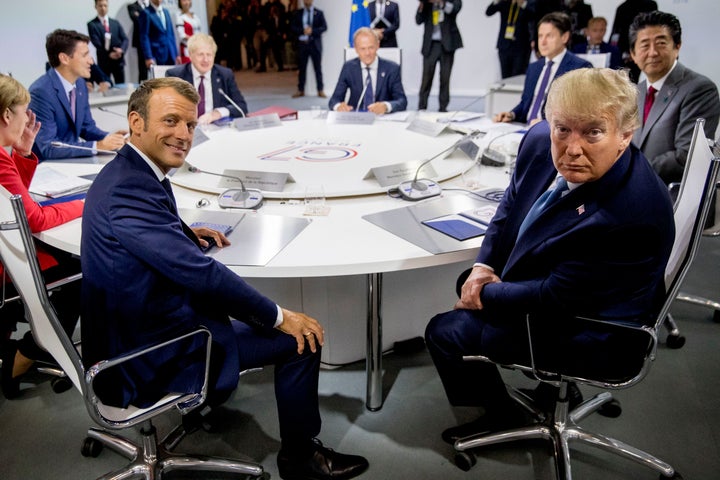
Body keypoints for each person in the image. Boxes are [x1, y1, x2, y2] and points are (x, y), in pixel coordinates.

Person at [79, 76, 369, 480]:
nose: (184, 135)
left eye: (191, 125)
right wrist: (279, 316)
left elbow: (151, 227)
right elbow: (201, 273)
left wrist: (183, 232)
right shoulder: (128, 191)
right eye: (171, 121)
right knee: (301, 340)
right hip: (143, 355)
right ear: (136, 122)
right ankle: (302, 461)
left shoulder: (127, 173)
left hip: (128, 329)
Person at [425, 67, 675, 444]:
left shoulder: (630, 215)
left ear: (625, 135)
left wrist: (476, 291)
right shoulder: (543, 139)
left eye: (593, 132)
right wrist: (483, 266)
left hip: (596, 330)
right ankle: (551, 388)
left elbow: (554, 299)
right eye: (563, 129)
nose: (572, 147)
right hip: (569, 290)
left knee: (444, 331)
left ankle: (498, 417)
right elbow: (511, 204)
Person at [0, 74, 83, 399]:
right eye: (24, 112)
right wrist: (84, 205)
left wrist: (22, 152)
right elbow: (33, 218)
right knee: (78, 280)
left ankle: (44, 345)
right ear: (7, 115)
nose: (27, 119)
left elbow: (14, 202)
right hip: (7, 270)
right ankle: (21, 358)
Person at [629, 11, 720, 185]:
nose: (653, 52)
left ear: (677, 46)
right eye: (644, 45)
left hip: (674, 198)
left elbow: (686, 154)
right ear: (633, 54)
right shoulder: (635, 92)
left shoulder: (699, 88)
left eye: (661, 43)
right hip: (637, 196)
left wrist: (631, 172)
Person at [29, 29, 127, 160]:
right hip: (45, 167)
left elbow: (87, 128)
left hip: (71, 162)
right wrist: (98, 146)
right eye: (85, 55)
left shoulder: (80, 84)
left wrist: (112, 138)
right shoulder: (41, 92)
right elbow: (49, 147)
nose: (91, 61)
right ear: (64, 58)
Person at [494, 12, 592, 125]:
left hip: (551, 135)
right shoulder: (534, 68)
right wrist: (512, 114)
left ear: (564, 37)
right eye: (540, 36)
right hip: (524, 129)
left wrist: (545, 125)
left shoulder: (580, 68)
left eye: (549, 36)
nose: (543, 42)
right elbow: (526, 103)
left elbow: (579, 113)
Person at [165, 33, 248, 123]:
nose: (205, 60)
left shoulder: (225, 75)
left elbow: (241, 107)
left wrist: (217, 114)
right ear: (190, 55)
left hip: (216, 128)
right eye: (200, 55)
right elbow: (168, 109)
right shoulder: (176, 76)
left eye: (209, 55)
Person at [329, 27, 407, 115]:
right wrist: (339, 106)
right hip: (356, 119)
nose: (367, 53)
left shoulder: (392, 68)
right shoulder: (349, 67)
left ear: (378, 45)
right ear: (356, 49)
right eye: (362, 49)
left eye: (371, 48)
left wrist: (385, 106)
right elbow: (334, 100)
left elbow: (402, 101)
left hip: (382, 120)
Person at [416, 0, 463, 112]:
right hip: (430, 45)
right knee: (426, 78)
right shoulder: (427, 4)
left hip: (447, 45)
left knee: (445, 78)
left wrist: (441, 2)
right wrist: (422, 6)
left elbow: (454, 10)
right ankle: (422, 107)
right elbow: (418, 20)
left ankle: (443, 107)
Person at [486, 0, 536, 79]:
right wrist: (496, 1)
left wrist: (523, 4)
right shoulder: (505, 2)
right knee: (505, 77)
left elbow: (534, 16)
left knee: (518, 76)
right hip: (504, 46)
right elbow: (488, 12)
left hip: (521, 47)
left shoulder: (530, 3)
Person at [610, 0, 657, 83]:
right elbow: (616, 31)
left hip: (640, 49)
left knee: (633, 82)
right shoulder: (622, 8)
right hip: (623, 53)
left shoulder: (650, 5)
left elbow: (651, 29)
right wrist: (613, 51)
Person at [290, 0, 327, 98]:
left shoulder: (319, 13)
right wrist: (303, 31)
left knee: (317, 68)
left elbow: (324, 27)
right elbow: (292, 27)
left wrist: (312, 31)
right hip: (302, 45)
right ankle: (300, 89)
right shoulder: (298, 13)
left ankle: (320, 89)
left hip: (315, 45)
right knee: (302, 68)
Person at [87, 0, 129, 84]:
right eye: (100, 6)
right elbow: (97, 43)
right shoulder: (92, 24)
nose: (103, 8)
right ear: (96, 7)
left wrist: (121, 50)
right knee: (106, 86)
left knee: (121, 86)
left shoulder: (115, 23)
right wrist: (109, 54)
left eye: (105, 6)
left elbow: (125, 39)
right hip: (104, 62)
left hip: (118, 61)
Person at [139, 0, 180, 70]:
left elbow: (171, 34)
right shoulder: (146, 13)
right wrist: (148, 57)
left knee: (171, 79)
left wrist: (176, 54)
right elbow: (144, 37)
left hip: (170, 53)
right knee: (160, 80)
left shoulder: (166, 12)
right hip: (156, 54)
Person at [127, 0, 150, 82]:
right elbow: (137, 20)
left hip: (154, 41)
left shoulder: (152, 4)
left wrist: (141, 15)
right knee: (143, 68)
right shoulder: (132, 6)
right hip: (141, 42)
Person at [176, 0, 202, 64]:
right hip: (187, 50)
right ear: (180, 3)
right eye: (184, 1)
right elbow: (181, 35)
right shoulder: (180, 18)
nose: (186, 3)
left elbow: (199, 31)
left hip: (197, 49)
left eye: (188, 0)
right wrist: (194, 39)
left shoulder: (195, 17)